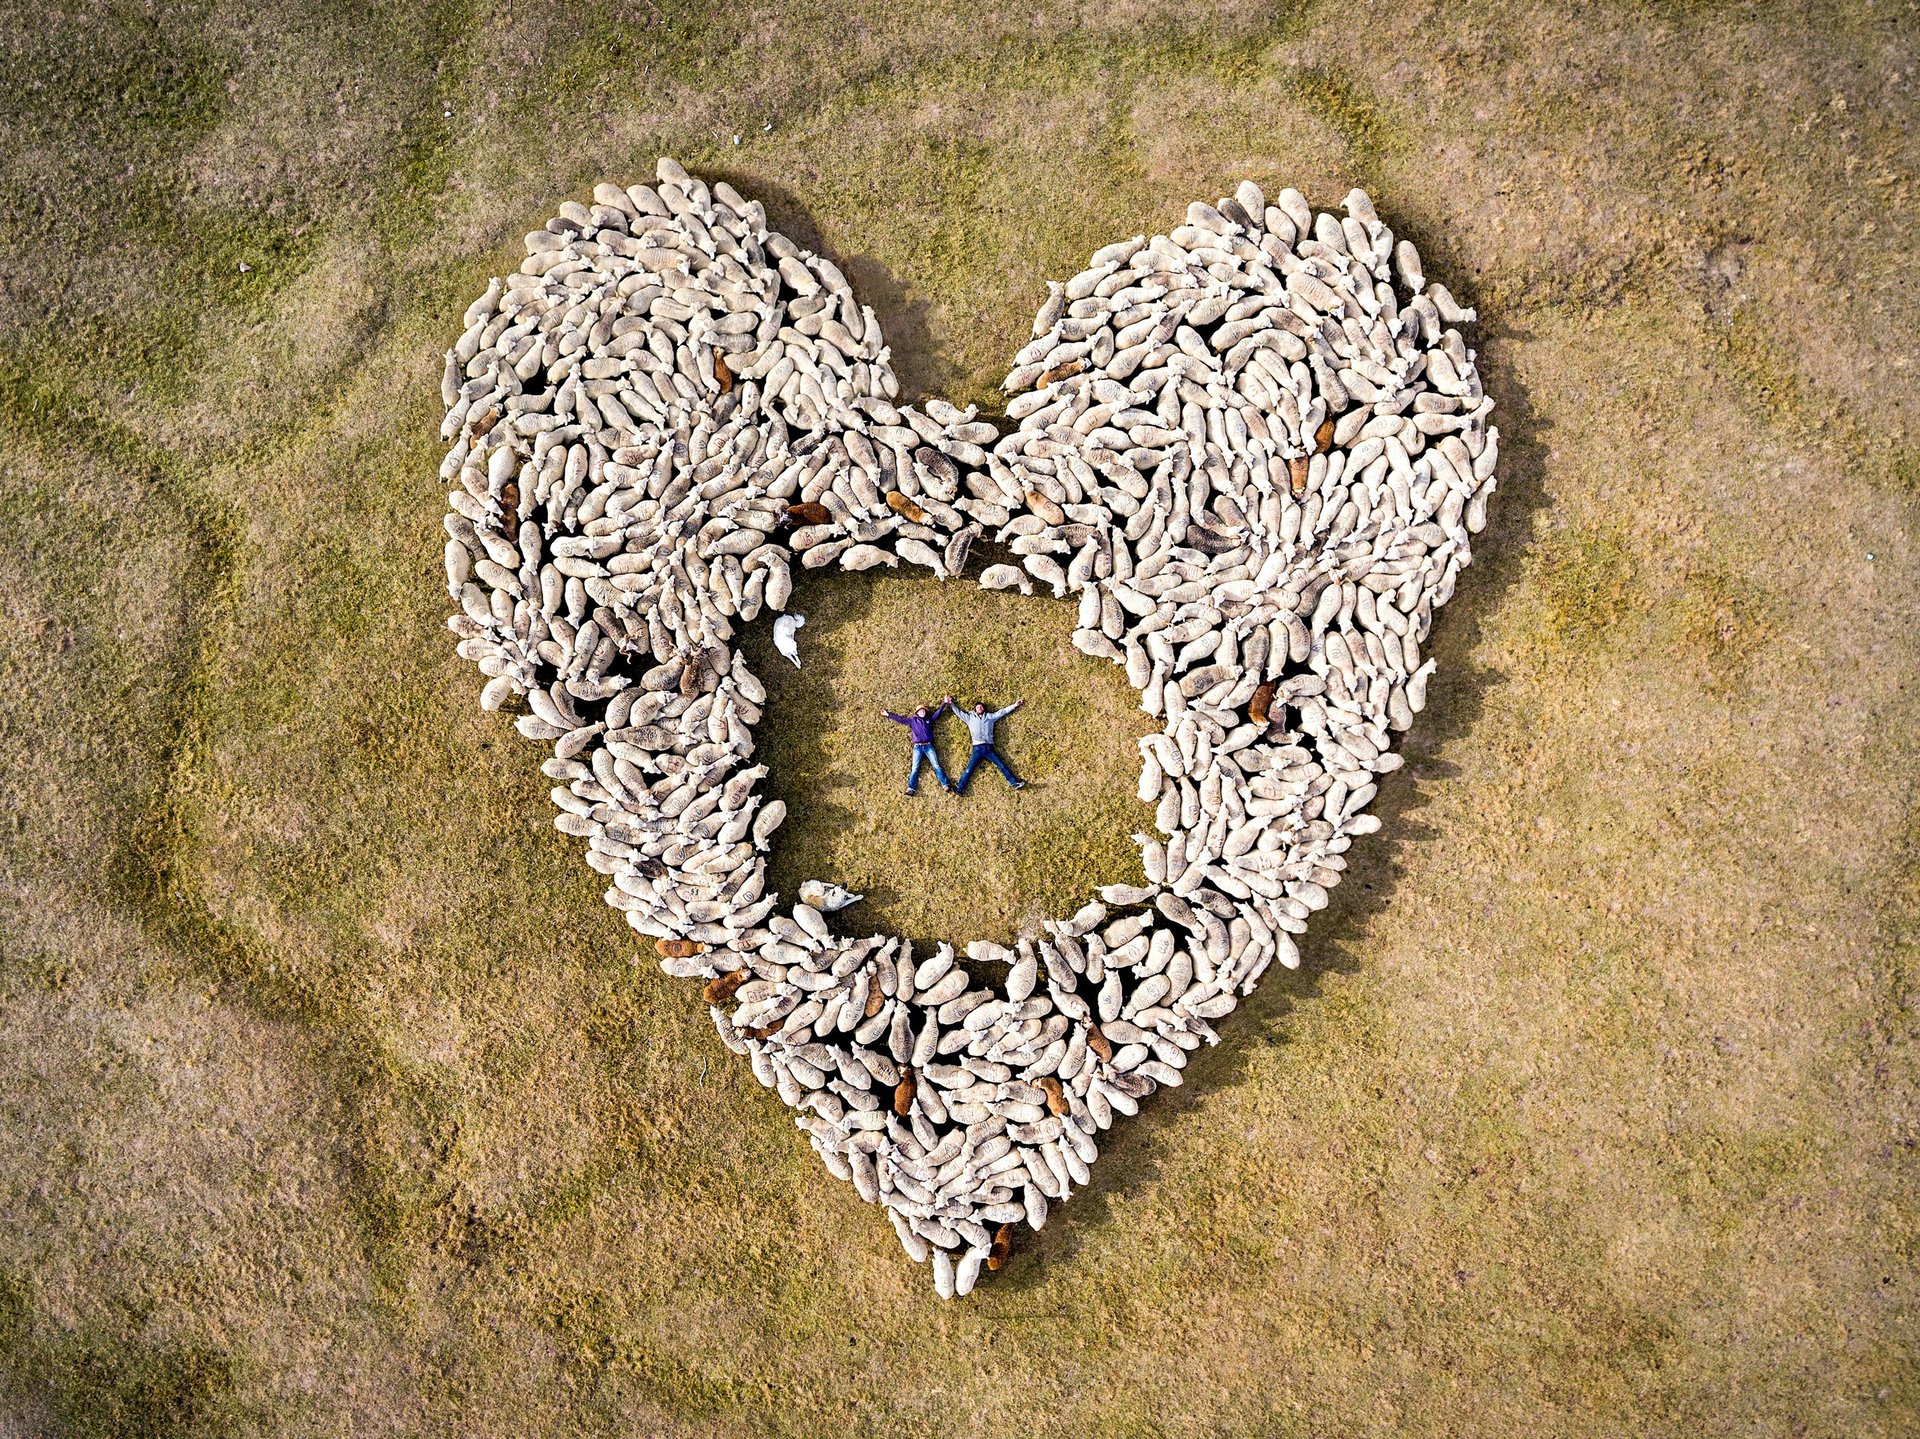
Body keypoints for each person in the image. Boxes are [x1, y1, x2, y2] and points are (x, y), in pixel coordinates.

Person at [947, 695, 1026, 793]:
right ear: (975, 709)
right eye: (978, 707)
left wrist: (1014, 705)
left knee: (1001, 765)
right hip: (977, 748)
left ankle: (1014, 783)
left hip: (989, 747)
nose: (979, 708)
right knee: (970, 768)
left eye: (981, 707)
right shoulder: (969, 718)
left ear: (983, 709)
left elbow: (1002, 712)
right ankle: (960, 788)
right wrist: (951, 704)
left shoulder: (990, 717)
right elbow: (959, 713)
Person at [880, 699, 955, 795]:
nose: (922, 712)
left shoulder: (929, 720)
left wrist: (944, 703)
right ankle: (911, 788)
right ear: (917, 713)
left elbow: (938, 713)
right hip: (917, 747)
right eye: (920, 711)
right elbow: (900, 719)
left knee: (936, 765)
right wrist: (888, 714)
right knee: (915, 768)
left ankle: (945, 784)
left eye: (924, 710)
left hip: (929, 746)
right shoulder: (912, 721)